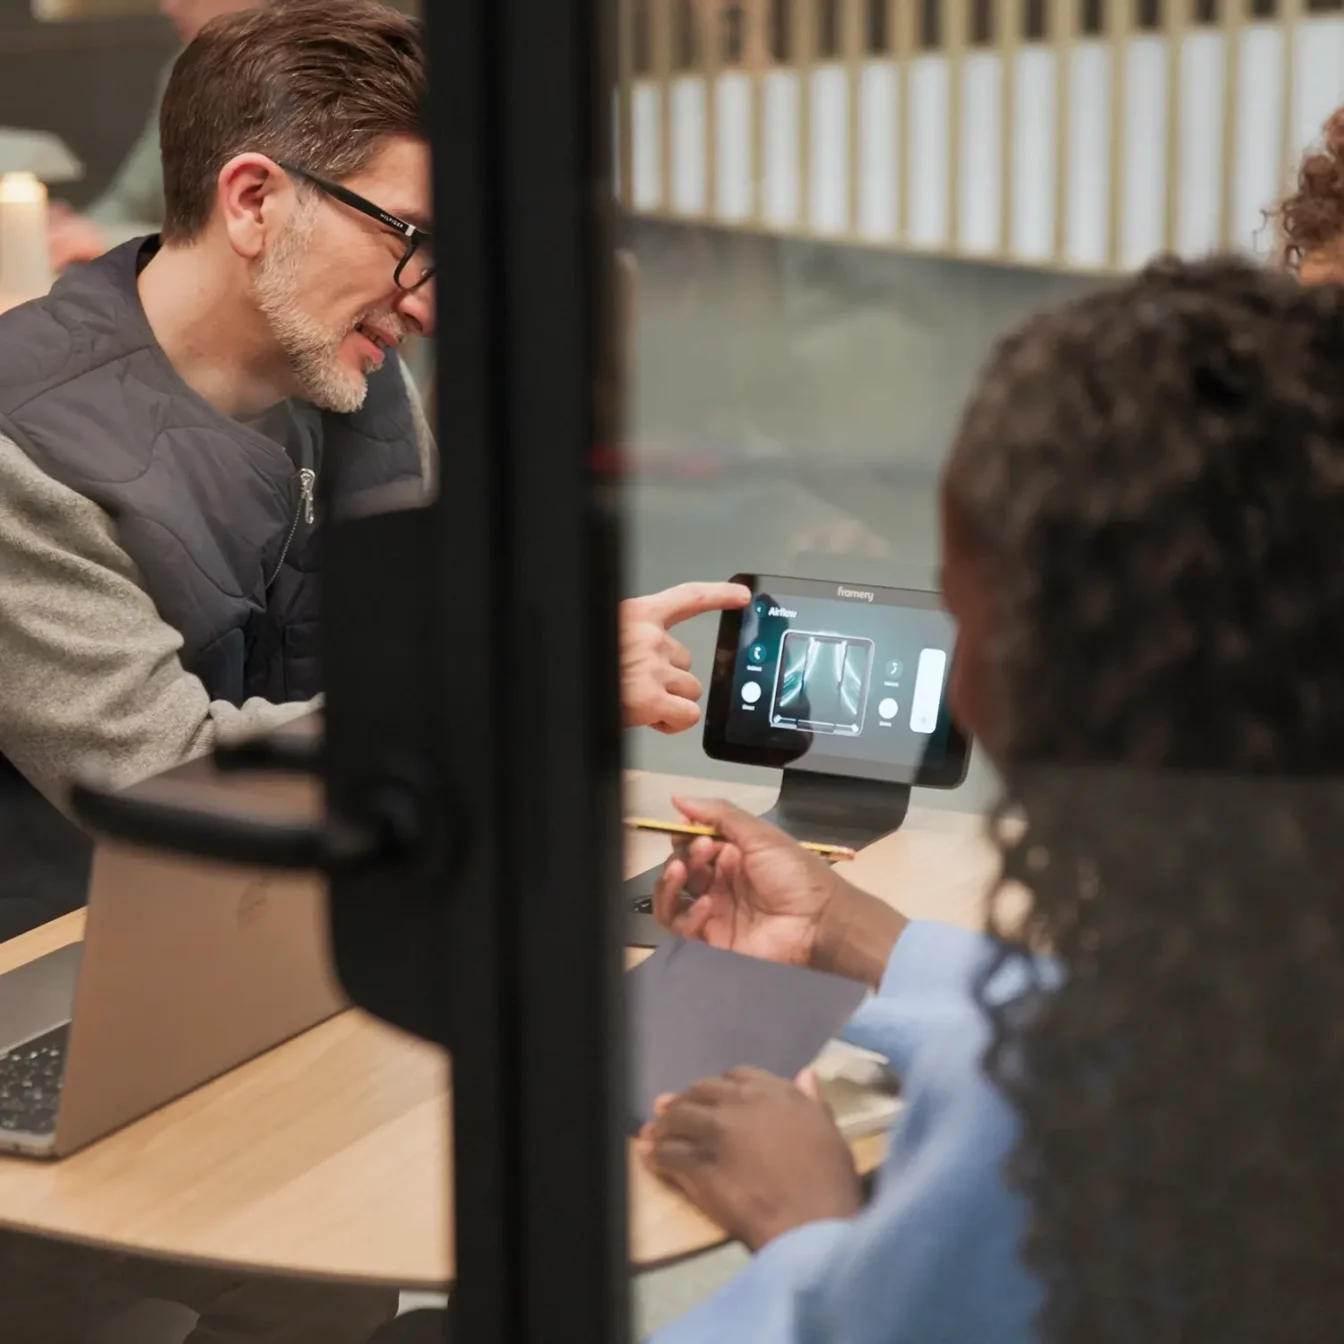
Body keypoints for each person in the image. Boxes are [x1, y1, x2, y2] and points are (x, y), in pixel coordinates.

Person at [633, 256, 1344, 1342]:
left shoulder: (1039, 1130)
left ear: (1011, 678)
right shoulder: (1267, 981)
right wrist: (853, 934)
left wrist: (819, 1229)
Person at [0, 0, 743, 942]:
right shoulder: (20, 451)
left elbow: (430, 666)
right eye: (412, 240)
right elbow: (171, 778)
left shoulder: (356, 377)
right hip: (67, 974)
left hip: (301, 925)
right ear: (254, 200)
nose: (429, 308)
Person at [48, 0, 264, 271]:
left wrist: (111, 240)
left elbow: (251, 237)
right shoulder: (186, 67)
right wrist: (74, 230)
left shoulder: (304, 77)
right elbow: (132, 197)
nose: (169, 7)